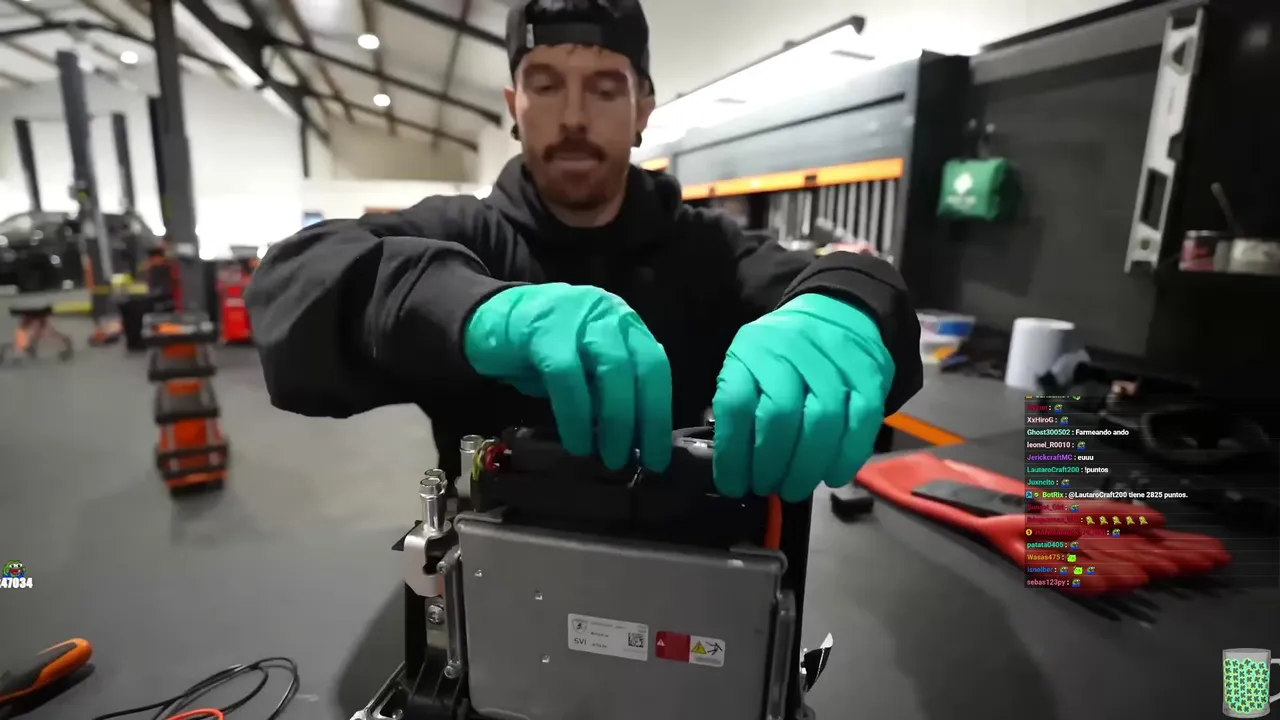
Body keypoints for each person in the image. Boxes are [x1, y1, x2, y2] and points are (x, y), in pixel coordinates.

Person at [245, 0, 923, 503]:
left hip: (678, 569)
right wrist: (476, 313)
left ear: (643, 110)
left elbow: (841, 277)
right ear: (514, 106)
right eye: (545, 84)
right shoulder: (462, 234)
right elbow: (294, 282)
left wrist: (844, 305)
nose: (573, 117)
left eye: (604, 89)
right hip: (490, 567)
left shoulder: (707, 248)